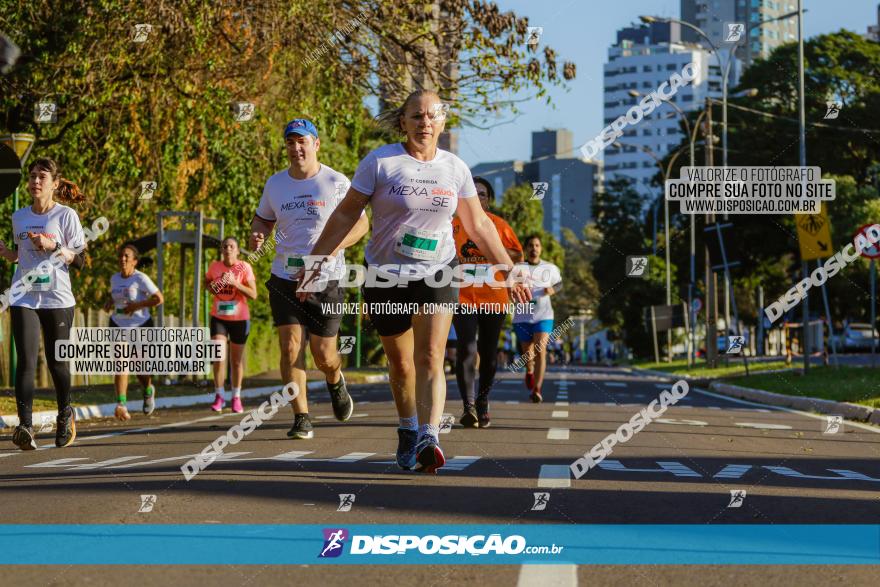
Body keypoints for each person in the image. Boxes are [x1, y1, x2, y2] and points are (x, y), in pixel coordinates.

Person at [299, 90, 531, 473]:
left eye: (432, 116)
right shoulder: (380, 162)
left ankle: (429, 435)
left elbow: (479, 224)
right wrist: (315, 262)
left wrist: (508, 268)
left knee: (429, 357)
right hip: (385, 274)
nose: (425, 122)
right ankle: (408, 429)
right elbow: (344, 215)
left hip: (437, 270)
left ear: (442, 122)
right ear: (403, 121)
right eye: (416, 116)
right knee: (401, 364)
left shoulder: (455, 168)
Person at [250, 118, 368, 439]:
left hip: (325, 278)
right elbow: (263, 219)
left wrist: (328, 251)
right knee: (290, 348)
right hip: (285, 276)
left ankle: (334, 378)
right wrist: (258, 235)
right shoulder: (275, 184)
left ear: (316, 144)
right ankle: (301, 416)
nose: (296, 147)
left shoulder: (336, 182)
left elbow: (360, 225)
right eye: (290, 142)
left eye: (302, 141)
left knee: (323, 354)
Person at [0, 157, 86, 450]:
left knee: (57, 362)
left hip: (57, 298)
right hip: (24, 295)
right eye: (33, 176)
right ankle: (25, 426)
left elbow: (81, 261)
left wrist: (54, 247)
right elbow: (19, 256)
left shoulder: (66, 216)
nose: (36, 181)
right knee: (25, 360)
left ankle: (65, 414)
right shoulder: (19, 217)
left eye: (42, 177)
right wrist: (5, 253)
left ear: (55, 184)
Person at [452, 176, 522, 428]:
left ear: (488, 200)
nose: (477, 198)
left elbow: (516, 254)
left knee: (489, 353)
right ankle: (468, 406)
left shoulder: (499, 225)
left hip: (494, 296)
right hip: (462, 296)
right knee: (467, 348)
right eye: (473, 193)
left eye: (482, 194)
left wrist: (493, 251)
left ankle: (483, 401)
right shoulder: (452, 224)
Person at [104, 244, 164, 421]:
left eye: (127, 256)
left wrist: (137, 306)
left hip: (140, 325)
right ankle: (121, 403)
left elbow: (159, 299)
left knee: (139, 368)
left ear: (134, 261)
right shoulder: (114, 278)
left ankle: (148, 390)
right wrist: (109, 302)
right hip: (118, 324)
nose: (123, 259)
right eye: (121, 256)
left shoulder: (141, 278)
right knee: (121, 361)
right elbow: (115, 296)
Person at [206, 237, 257, 413]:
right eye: (225, 246)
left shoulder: (244, 267)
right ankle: (219, 396)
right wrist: (217, 284)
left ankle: (236, 397)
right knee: (219, 357)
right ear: (222, 250)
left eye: (231, 246)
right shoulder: (214, 267)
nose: (228, 249)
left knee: (235, 361)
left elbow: (253, 294)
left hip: (240, 319)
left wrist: (235, 283)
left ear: (237, 250)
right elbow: (208, 286)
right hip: (219, 318)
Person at [513, 234, 562, 403]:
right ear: (526, 249)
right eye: (531, 245)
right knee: (528, 353)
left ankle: (537, 388)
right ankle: (529, 371)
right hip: (522, 315)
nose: (534, 248)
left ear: (540, 249)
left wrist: (552, 290)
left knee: (541, 351)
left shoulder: (550, 268)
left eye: (537, 245)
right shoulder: (518, 267)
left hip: (544, 316)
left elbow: (559, 283)